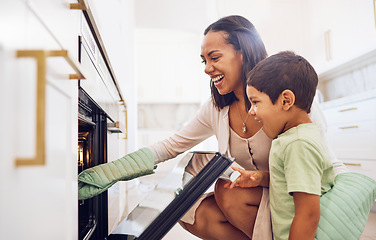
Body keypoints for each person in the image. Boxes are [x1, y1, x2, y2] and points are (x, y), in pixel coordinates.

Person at [80, 15, 346, 240]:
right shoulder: (216, 108)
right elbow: (171, 146)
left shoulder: (291, 104)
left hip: (297, 202)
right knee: (190, 209)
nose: (207, 68)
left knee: (226, 194)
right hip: (260, 198)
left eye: (214, 57)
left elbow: (325, 165)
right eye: (203, 60)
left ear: (243, 52)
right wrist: (108, 172)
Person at [228, 51, 335, 239]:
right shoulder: (294, 139)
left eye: (255, 102)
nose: (251, 111)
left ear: (286, 100)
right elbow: (293, 184)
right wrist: (262, 178)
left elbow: (308, 214)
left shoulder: (298, 144)